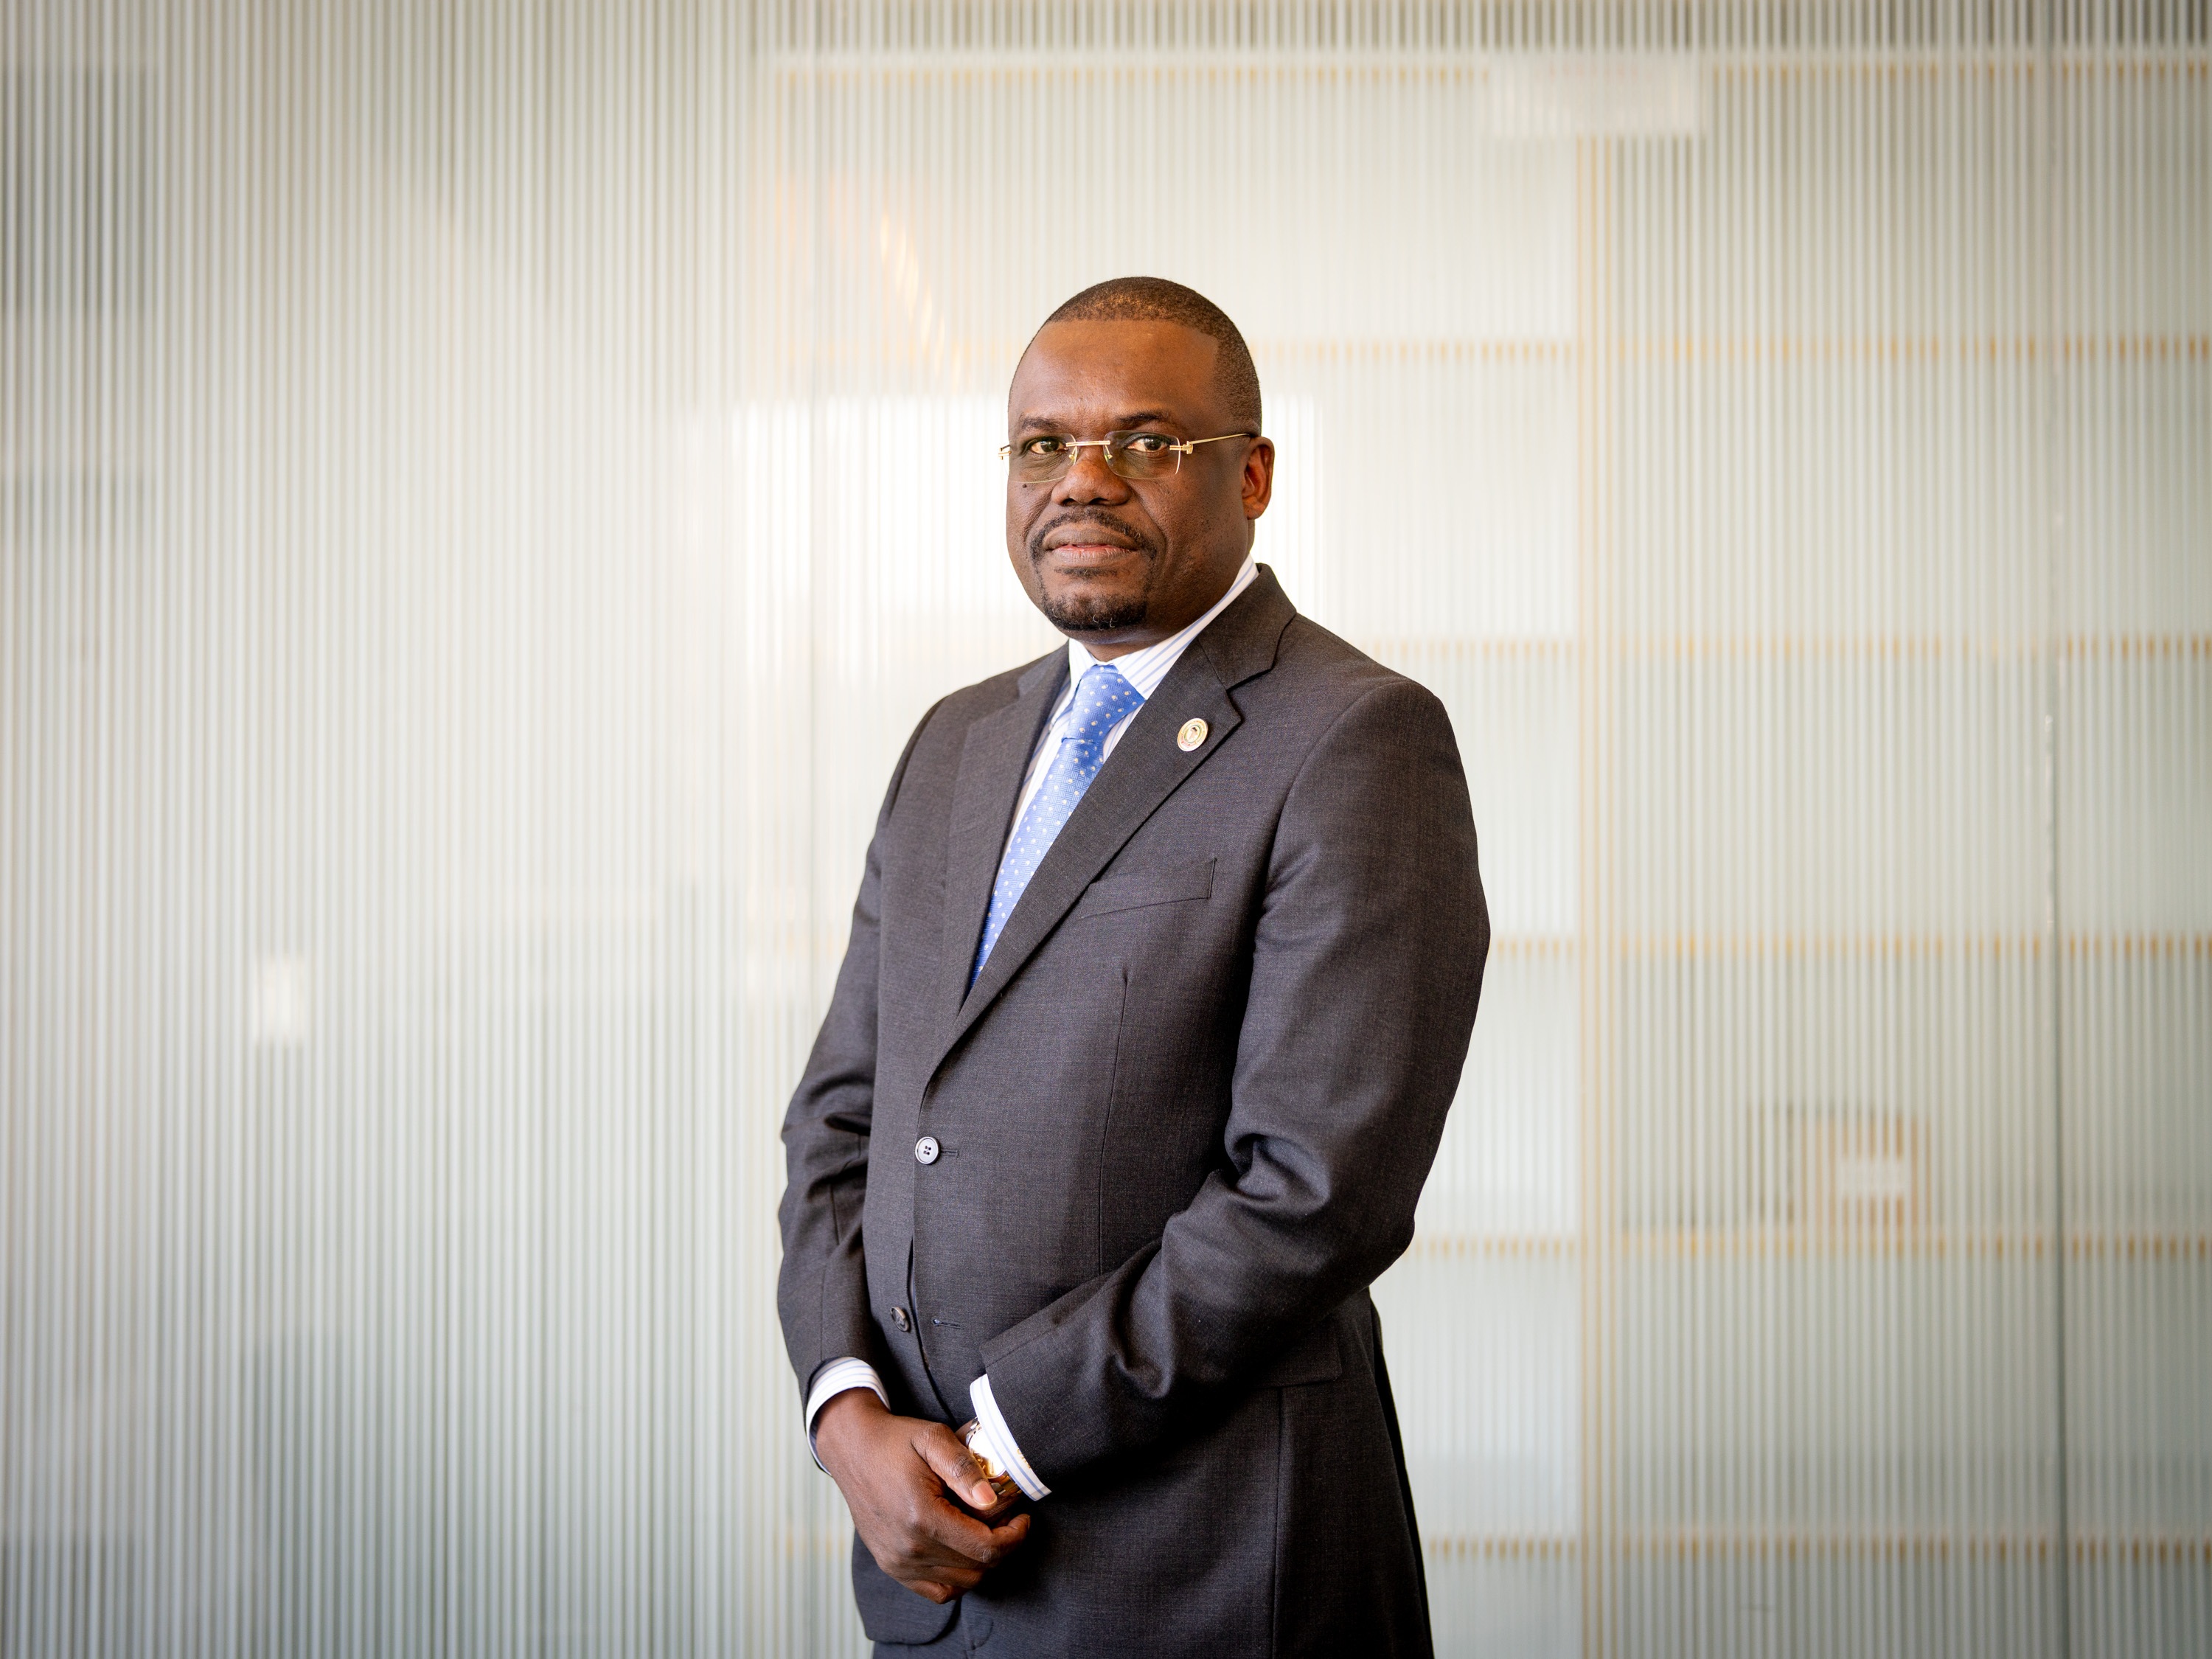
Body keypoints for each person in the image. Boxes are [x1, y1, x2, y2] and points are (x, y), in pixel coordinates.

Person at [777, 276, 1489, 1658]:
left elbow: (1313, 1197)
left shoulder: (1358, 741)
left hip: (1209, 1571)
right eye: (1043, 443)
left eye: (1147, 442)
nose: (1083, 480)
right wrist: (846, 1406)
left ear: (1256, 472)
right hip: (932, 1564)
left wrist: (996, 1439)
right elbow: (844, 1119)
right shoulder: (954, 742)